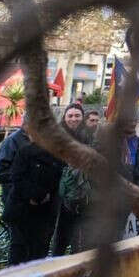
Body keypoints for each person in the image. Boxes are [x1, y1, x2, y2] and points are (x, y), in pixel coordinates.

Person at [2, 129, 64, 265]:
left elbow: (57, 178)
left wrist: (46, 196)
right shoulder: (24, 152)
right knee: (19, 252)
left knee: (39, 252)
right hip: (22, 211)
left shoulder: (56, 155)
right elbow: (16, 177)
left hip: (45, 213)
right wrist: (36, 196)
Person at [51, 103, 89, 255]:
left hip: (85, 193)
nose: (74, 119)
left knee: (81, 236)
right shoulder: (57, 136)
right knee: (61, 235)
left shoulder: (88, 135)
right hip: (61, 194)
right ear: (65, 117)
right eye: (70, 115)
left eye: (77, 115)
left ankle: (78, 268)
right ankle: (57, 268)